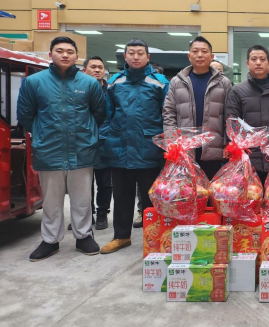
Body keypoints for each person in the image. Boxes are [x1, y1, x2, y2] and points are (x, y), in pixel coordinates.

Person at [17, 37, 106, 261]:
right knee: (51, 200)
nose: (65, 55)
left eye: (69, 51)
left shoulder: (90, 84)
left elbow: (99, 114)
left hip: (82, 149)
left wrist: (88, 135)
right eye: (59, 51)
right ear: (50, 55)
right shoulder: (34, 82)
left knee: (82, 198)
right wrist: (42, 134)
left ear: (77, 57)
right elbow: (26, 115)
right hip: (49, 150)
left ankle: (83, 236)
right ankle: (50, 240)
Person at [100, 39, 169, 254]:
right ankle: (121, 237)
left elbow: (167, 116)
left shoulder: (159, 82)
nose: (136, 57)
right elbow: (107, 115)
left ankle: (154, 239)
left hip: (150, 148)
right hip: (120, 147)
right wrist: (106, 140)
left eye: (140, 53)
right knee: (122, 196)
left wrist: (166, 145)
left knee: (151, 199)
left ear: (148, 57)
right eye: (131, 53)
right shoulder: (115, 82)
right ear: (125, 57)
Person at [163, 36, 232, 180]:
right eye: (195, 51)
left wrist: (228, 143)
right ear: (189, 56)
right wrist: (171, 142)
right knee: (187, 190)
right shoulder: (177, 82)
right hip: (185, 149)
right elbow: (169, 112)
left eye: (204, 51)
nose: (200, 55)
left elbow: (229, 115)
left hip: (213, 149)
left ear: (211, 56)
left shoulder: (224, 83)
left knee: (212, 190)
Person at [225, 45, 269, 183]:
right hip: (248, 159)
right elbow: (232, 124)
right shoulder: (237, 90)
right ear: (247, 63)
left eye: (262, 59)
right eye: (254, 59)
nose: (258, 62)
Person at [82, 56, 112, 231]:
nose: (97, 70)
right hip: (83, 143)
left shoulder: (111, 91)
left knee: (105, 182)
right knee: (83, 183)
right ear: (84, 70)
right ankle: (86, 214)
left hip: (105, 142)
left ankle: (102, 213)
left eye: (100, 67)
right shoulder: (78, 90)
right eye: (93, 67)